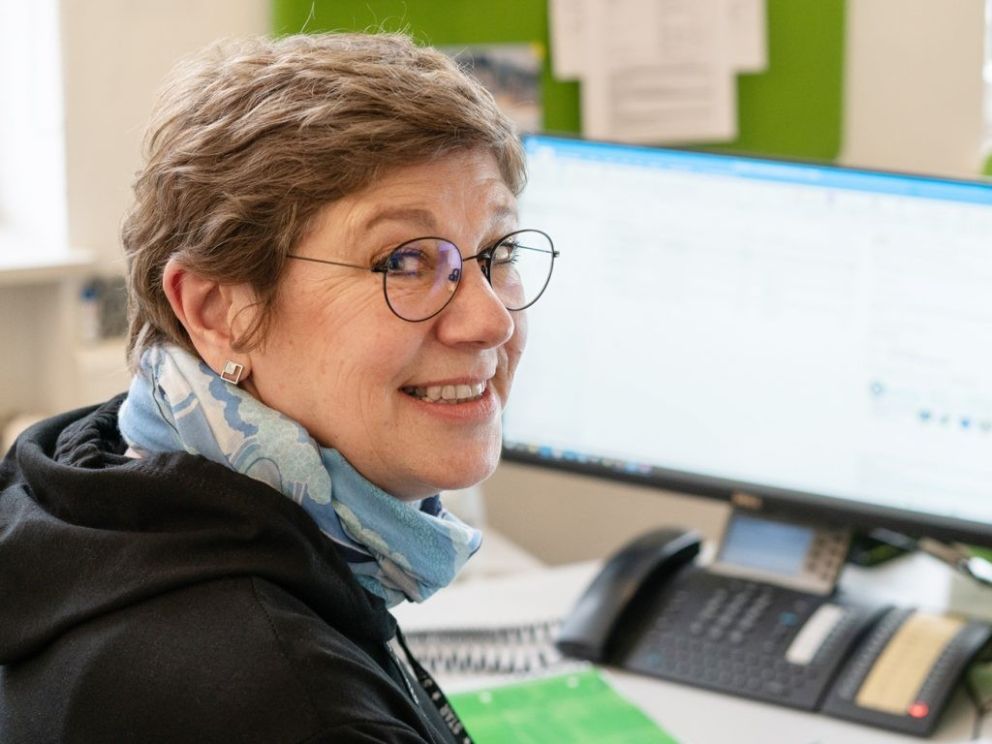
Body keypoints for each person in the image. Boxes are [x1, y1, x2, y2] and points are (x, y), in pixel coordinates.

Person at [0, 33, 557, 743]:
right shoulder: (286, 699)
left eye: (498, 252)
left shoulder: (99, 477)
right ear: (216, 313)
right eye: (404, 260)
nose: (489, 319)